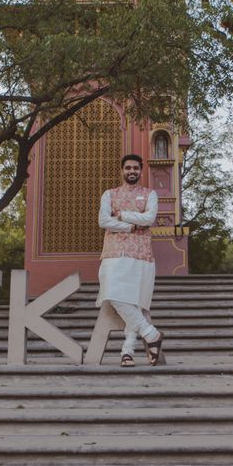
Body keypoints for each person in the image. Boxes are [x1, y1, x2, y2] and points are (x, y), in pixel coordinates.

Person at [97, 154, 164, 367]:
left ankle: (127, 352)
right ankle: (151, 333)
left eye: (135, 168)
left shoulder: (149, 194)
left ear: (141, 171)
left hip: (141, 254)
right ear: (122, 170)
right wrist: (132, 225)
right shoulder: (110, 194)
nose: (132, 171)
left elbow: (149, 219)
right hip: (114, 253)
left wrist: (123, 216)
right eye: (128, 168)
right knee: (112, 293)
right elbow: (103, 221)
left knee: (136, 302)